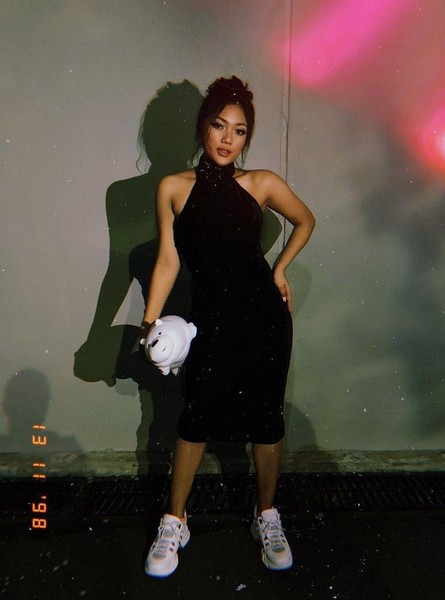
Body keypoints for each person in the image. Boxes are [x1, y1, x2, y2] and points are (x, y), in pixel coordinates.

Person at [141, 75, 315, 577]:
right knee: (195, 418)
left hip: (263, 319)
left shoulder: (261, 183)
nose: (227, 139)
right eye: (219, 126)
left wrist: (279, 269)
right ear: (203, 127)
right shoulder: (173, 188)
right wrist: (149, 323)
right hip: (209, 322)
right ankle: (175, 521)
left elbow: (306, 220)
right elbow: (169, 260)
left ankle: (267, 516)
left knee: (265, 419)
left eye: (239, 131)